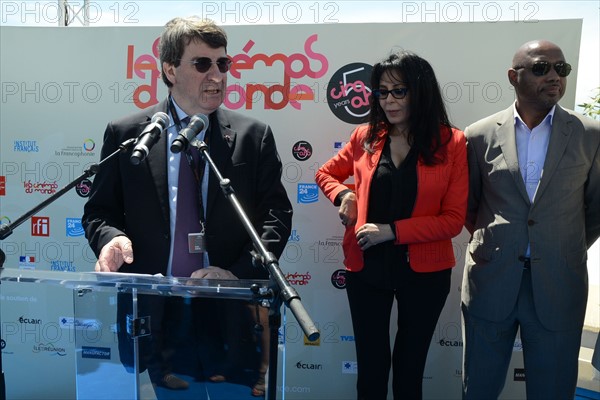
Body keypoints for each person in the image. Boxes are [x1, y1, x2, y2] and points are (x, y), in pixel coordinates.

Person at [82, 16, 292, 396]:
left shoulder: (252, 136)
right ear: (170, 69)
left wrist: (236, 274)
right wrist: (110, 240)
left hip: (232, 313)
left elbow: (276, 216)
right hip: (156, 317)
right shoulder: (128, 134)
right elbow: (100, 212)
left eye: (223, 63)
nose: (218, 75)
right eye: (202, 64)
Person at [315, 51, 468, 400]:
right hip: (366, 268)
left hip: (426, 272)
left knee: (409, 373)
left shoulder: (452, 142)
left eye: (399, 91)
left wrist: (392, 231)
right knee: (370, 371)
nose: (389, 100)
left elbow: (453, 221)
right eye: (382, 92)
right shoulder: (365, 135)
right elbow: (324, 173)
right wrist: (344, 196)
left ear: (420, 91)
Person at [461, 40, 600, 399]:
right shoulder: (478, 135)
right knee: (478, 388)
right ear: (513, 76)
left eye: (561, 69)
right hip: (490, 281)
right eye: (541, 68)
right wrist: (498, 244)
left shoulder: (590, 134)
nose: (554, 76)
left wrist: (557, 246)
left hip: (558, 283)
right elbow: (469, 205)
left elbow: (595, 209)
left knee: (552, 391)